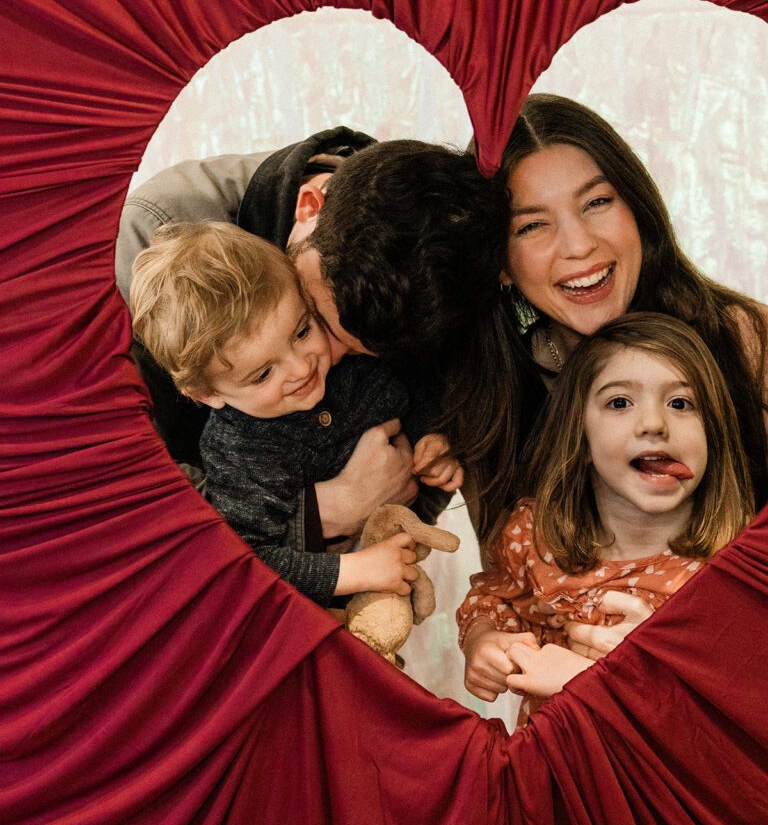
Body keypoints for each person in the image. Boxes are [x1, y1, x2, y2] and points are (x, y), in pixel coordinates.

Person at [440, 93, 768, 549]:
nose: (578, 246)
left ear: (638, 210)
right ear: (499, 263)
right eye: (531, 226)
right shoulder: (488, 397)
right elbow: (506, 582)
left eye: (596, 202)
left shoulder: (760, 347)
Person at [117, 126, 504, 542]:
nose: (319, 360)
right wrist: (324, 513)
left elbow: (433, 431)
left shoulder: (441, 272)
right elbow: (118, 489)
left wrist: (429, 456)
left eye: (363, 354)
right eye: (312, 319)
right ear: (308, 206)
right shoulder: (147, 240)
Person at [130, 222, 462, 606]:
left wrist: (431, 440)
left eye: (301, 332)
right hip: (323, 607)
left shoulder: (348, 359)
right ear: (208, 394)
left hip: (397, 552)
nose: (302, 368)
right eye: (264, 374)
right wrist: (352, 571)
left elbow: (414, 386)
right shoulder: (239, 453)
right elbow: (248, 560)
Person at [456, 313, 753, 724]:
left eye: (680, 403)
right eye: (620, 403)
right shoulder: (536, 537)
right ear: (579, 436)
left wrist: (600, 679)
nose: (654, 424)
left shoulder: (737, 567)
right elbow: (495, 597)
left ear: (713, 435)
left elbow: (738, 705)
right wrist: (484, 639)